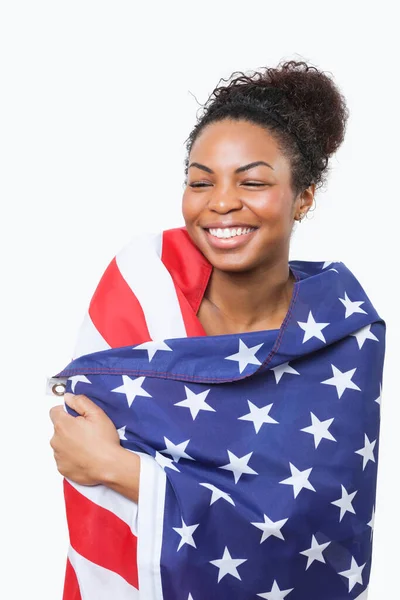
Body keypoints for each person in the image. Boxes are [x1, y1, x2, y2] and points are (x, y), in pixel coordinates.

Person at [49, 60, 385, 599]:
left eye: (251, 181)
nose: (221, 202)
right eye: (200, 181)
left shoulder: (344, 335)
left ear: (304, 196)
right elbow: (77, 445)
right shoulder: (145, 287)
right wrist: (96, 461)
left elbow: (315, 535)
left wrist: (121, 468)